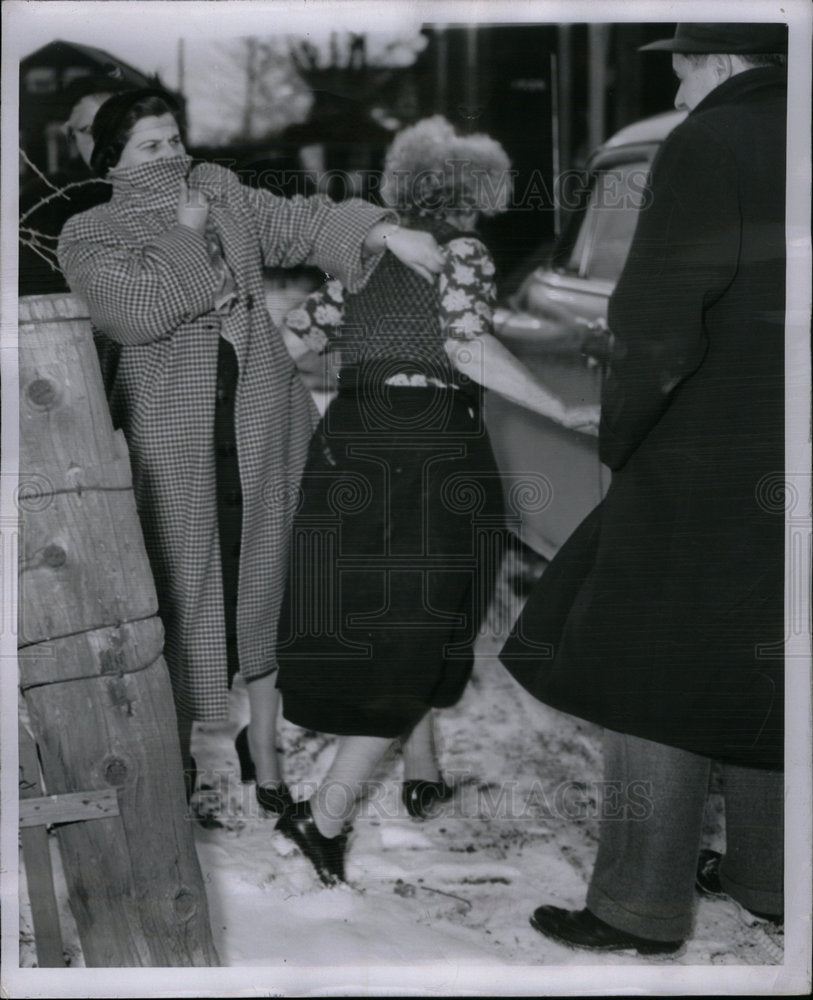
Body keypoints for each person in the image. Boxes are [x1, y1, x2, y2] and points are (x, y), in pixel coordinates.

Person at [57, 88, 446, 809]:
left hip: (262, 431)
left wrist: (385, 233)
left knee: (268, 587)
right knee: (176, 602)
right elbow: (133, 313)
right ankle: (168, 777)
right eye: (151, 145)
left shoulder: (224, 193)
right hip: (169, 450)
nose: (171, 155)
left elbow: (301, 221)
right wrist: (183, 233)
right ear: (113, 156)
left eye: (175, 138)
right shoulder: (89, 231)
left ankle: (266, 770)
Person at [500, 23, 787, 954]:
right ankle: (772, 877)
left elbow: (657, 313)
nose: (671, 75)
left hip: (706, 451)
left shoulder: (702, 140)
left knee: (644, 668)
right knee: (769, 656)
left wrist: (625, 435)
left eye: (678, 58)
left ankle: (637, 906)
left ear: (709, 60)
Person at [273, 116, 597, 885]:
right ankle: (321, 819)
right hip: (429, 447)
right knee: (424, 616)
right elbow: (465, 345)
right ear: (475, 192)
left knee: (388, 609)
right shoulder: (463, 253)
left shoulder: (365, 252)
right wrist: (561, 409)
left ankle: (418, 767)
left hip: (352, 441)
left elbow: (292, 339)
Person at [19, 74, 132, 295]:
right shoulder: (46, 196)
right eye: (90, 131)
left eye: (115, 128)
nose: (104, 143)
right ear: (71, 135)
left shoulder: (160, 189)